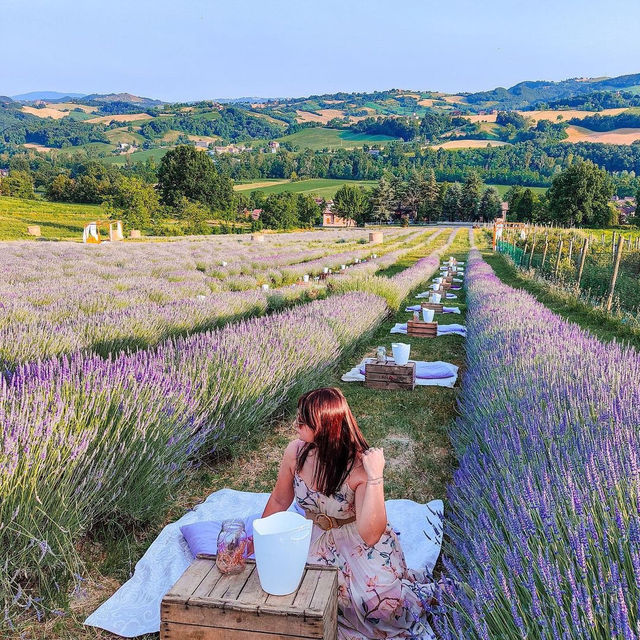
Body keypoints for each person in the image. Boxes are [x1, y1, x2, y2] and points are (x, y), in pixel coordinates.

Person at [261, 387, 434, 640]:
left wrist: (376, 478)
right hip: (312, 536)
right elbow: (279, 499)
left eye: (303, 421)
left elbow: (371, 534)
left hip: (355, 540)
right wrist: (260, 536)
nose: (296, 424)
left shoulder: (357, 466)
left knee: (377, 605)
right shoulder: (295, 452)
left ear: (325, 426)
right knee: (295, 592)